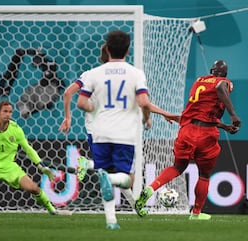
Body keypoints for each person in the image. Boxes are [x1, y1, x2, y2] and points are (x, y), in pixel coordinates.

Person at [76, 30, 179, 229]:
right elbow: (143, 102)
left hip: (99, 132)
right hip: (124, 133)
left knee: (104, 172)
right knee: (127, 179)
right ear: (128, 49)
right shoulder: (135, 73)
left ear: (107, 48)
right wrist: (147, 119)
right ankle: (112, 182)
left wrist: (94, 109)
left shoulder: (93, 74)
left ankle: (111, 221)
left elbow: (81, 102)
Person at [134, 60, 241, 220]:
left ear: (211, 71)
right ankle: (196, 214)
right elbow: (220, 88)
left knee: (177, 167)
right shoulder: (223, 82)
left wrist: (224, 126)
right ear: (225, 75)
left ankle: (150, 189)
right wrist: (232, 115)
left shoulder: (199, 81)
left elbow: (199, 113)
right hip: (206, 135)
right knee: (204, 174)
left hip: (187, 130)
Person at [58, 44, 137, 208]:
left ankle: (136, 206)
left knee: (113, 172)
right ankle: (87, 164)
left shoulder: (90, 75)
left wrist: (68, 117)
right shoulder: (124, 76)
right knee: (118, 172)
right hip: (114, 127)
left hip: (94, 129)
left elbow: (67, 93)